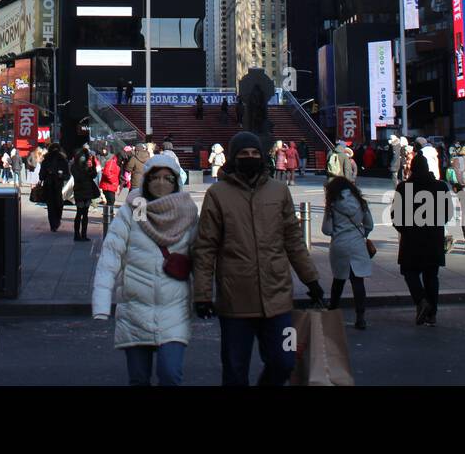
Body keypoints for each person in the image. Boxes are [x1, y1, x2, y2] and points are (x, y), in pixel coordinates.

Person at [192, 131, 325, 386]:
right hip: (236, 298)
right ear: (234, 158)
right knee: (234, 369)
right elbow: (206, 247)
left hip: (278, 296)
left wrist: (311, 280)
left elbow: (293, 241)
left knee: (286, 361)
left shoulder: (279, 191)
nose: (249, 158)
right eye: (243, 154)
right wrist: (202, 294)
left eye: (254, 153)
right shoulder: (218, 194)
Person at [92, 153, 200, 386]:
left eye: (167, 178)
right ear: (147, 180)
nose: (161, 183)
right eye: (155, 178)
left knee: (170, 375)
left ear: (176, 182)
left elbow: (203, 257)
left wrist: (206, 295)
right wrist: (101, 302)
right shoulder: (136, 209)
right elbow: (111, 254)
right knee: (139, 379)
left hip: (174, 308)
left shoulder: (187, 212)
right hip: (135, 308)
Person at [393, 153, 450, 326]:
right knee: (431, 276)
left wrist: (406, 231)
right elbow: (447, 214)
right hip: (433, 238)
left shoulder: (404, 188)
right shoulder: (441, 187)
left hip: (411, 239)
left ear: (412, 168)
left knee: (409, 272)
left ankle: (421, 301)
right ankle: (432, 314)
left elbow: (396, 216)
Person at [323, 176, 375, 329]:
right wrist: (361, 234)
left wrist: (336, 232)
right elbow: (369, 224)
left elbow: (326, 229)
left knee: (338, 280)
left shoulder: (332, 204)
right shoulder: (361, 202)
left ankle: (332, 311)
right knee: (358, 281)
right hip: (357, 244)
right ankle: (360, 317)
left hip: (339, 244)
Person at [71, 147, 100, 241]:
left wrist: (93, 165)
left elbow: (93, 175)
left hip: (87, 192)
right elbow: (79, 177)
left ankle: (84, 234)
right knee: (79, 213)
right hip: (80, 192)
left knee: (85, 214)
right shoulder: (75, 166)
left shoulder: (86, 166)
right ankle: (77, 234)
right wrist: (87, 169)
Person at [40, 143, 71, 232]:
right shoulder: (63, 160)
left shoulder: (46, 160)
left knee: (50, 206)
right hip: (58, 185)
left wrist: (47, 174)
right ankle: (56, 221)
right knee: (58, 204)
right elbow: (67, 175)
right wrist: (60, 176)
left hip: (48, 186)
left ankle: (53, 224)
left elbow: (41, 175)